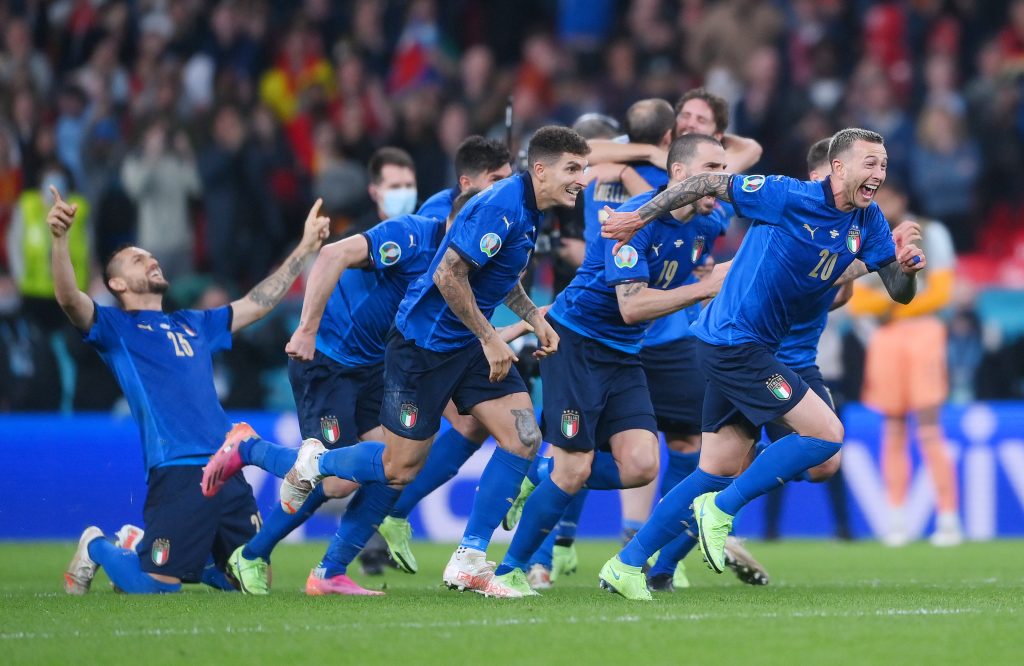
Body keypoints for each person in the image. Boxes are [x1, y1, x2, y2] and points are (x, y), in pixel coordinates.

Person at [599, 128, 927, 600]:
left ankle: (628, 565)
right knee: (826, 435)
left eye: (883, 165)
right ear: (838, 168)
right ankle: (722, 510)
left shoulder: (868, 220)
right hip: (734, 341)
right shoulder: (787, 195)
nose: (878, 174)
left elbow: (897, 289)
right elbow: (707, 185)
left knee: (714, 469)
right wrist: (638, 216)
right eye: (869, 164)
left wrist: (908, 270)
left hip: (750, 348)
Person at [276, 125, 587, 598]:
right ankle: (317, 462)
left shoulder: (529, 210)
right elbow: (447, 274)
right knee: (400, 468)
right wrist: (490, 336)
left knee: (524, 436)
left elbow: (500, 278)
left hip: (465, 345)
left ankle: (470, 560)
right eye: (573, 168)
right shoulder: (502, 205)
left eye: (583, 169)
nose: (581, 179)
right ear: (540, 169)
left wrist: (534, 321)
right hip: (423, 346)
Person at [202, 189, 533, 594]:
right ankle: (247, 454)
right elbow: (331, 255)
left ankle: (329, 572)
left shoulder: (473, 263)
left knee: (394, 470)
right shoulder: (416, 235)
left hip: (379, 365)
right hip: (329, 362)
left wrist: (522, 325)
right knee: (338, 482)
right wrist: (306, 329)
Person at [58, 187, 329, 595]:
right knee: (154, 588)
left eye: (150, 256)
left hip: (227, 463)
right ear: (117, 282)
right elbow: (68, 298)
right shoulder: (116, 329)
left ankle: (155, 549)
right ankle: (98, 544)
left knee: (250, 585)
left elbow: (256, 303)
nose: (151, 259)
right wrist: (60, 240)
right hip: (178, 467)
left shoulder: (192, 323)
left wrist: (305, 248)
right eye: (137, 259)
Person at [490, 134, 729, 594]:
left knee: (641, 465)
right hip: (576, 345)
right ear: (679, 176)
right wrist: (704, 287)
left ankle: (537, 476)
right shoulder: (630, 222)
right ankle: (510, 569)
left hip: (624, 354)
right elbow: (631, 307)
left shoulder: (709, 222)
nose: (723, 178)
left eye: (724, 167)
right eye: (713, 167)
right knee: (574, 470)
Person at [848, 179, 961, 547]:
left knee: (928, 428)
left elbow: (943, 294)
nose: (880, 203)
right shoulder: (864, 237)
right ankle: (896, 518)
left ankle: (948, 517)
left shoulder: (932, 233)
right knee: (893, 429)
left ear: (901, 197)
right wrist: (899, 303)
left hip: (923, 335)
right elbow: (856, 303)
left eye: (886, 196)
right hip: (885, 340)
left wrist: (889, 305)